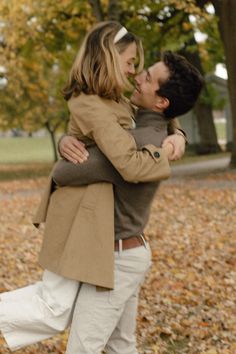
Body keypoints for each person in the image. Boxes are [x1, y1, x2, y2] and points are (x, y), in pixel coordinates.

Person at [0, 21, 184, 352]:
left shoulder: (116, 97)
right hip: (80, 224)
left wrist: (178, 136)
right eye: (129, 63)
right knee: (54, 310)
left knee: (117, 343)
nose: (133, 73)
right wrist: (167, 150)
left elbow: (164, 110)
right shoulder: (91, 102)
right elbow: (127, 163)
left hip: (104, 236)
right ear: (108, 58)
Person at [53, 51, 203, 354]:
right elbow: (159, 121)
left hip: (117, 260)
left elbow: (63, 172)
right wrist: (180, 133)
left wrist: (69, 147)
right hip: (128, 252)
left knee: (83, 348)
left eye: (147, 78)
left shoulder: (138, 142)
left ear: (161, 102)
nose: (137, 77)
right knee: (120, 347)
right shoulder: (147, 127)